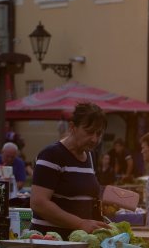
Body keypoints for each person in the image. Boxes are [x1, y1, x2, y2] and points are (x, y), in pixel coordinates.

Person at [30, 102, 109, 238]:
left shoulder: (90, 155)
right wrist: (80, 223)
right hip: (50, 242)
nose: (94, 139)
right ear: (73, 127)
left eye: (99, 133)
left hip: (77, 243)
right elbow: (38, 203)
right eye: (89, 132)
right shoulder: (52, 155)